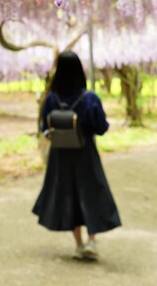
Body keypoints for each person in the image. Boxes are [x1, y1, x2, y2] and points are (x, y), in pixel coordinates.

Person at [33, 50, 121, 261]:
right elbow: (101, 127)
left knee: (67, 195)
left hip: (60, 156)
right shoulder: (89, 98)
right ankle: (91, 240)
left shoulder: (52, 98)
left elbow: (45, 126)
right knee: (91, 193)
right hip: (85, 154)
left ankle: (79, 244)